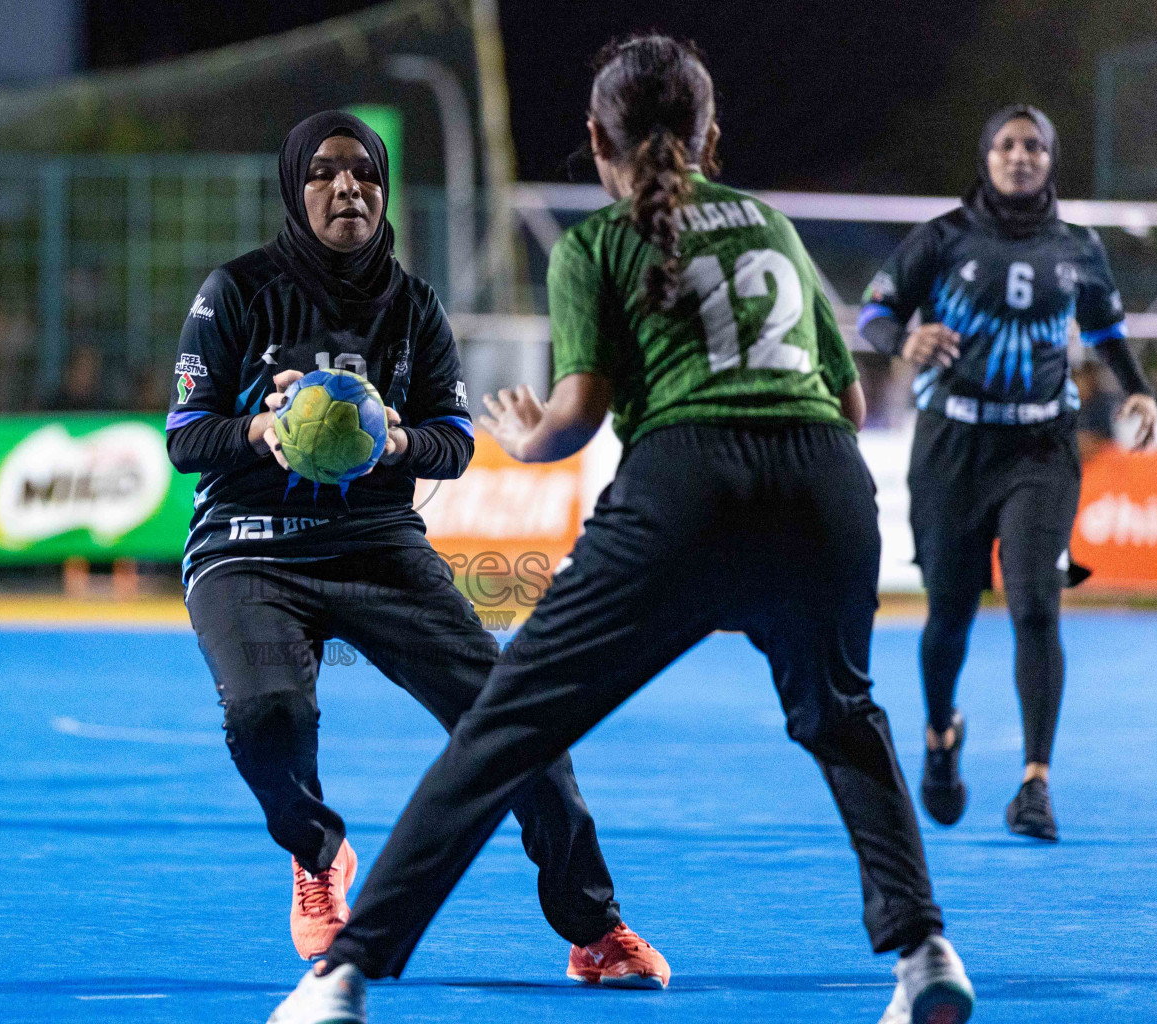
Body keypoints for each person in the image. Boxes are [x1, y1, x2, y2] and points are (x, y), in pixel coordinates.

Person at [267, 36, 973, 1024]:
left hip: (685, 487)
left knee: (505, 728)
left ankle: (343, 976)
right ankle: (924, 951)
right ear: (708, 135)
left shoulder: (597, 244)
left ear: (596, 137)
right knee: (843, 717)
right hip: (827, 484)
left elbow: (580, 416)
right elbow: (851, 404)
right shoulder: (771, 224)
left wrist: (528, 432)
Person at [167, 110, 665, 983]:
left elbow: (455, 439)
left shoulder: (415, 305)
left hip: (378, 546)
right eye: (322, 171)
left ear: (384, 186)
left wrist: (398, 442)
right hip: (248, 548)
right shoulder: (236, 291)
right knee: (266, 717)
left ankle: (595, 930)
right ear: (295, 187)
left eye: (363, 171)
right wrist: (258, 430)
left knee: (516, 719)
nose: (346, 186)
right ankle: (319, 857)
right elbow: (184, 438)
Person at [857, 105, 1157, 842]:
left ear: (1051, 159)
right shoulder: (943, 237)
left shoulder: (1078, 247)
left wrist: (1139, 387)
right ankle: (938, 736)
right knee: (951, 615)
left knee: (1034, 605)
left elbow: (1108, 329)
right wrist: (906, 338)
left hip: (1041, 450)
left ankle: (1035, 784)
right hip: (952, 448)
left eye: (1033, 146)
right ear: (986, 156)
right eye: (1006, 144)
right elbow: (870, 314)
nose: (1020, 156)